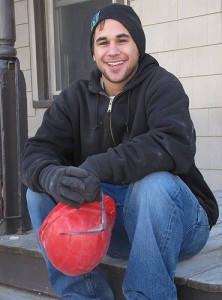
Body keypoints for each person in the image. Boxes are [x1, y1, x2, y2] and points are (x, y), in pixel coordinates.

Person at [21, 3, 219, 300]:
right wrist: (52, 177)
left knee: (154, 184)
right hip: (111, 225)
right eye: (103, 42)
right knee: (37, 192)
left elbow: (173, 143)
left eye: (122, 40)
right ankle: (83, 294)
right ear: (93, 52)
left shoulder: (162, 85)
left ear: (138, 45)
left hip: (179, 225)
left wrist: (96, 168)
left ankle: (147, 295)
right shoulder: (73, 98)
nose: (112, 51)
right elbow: (35, 152)